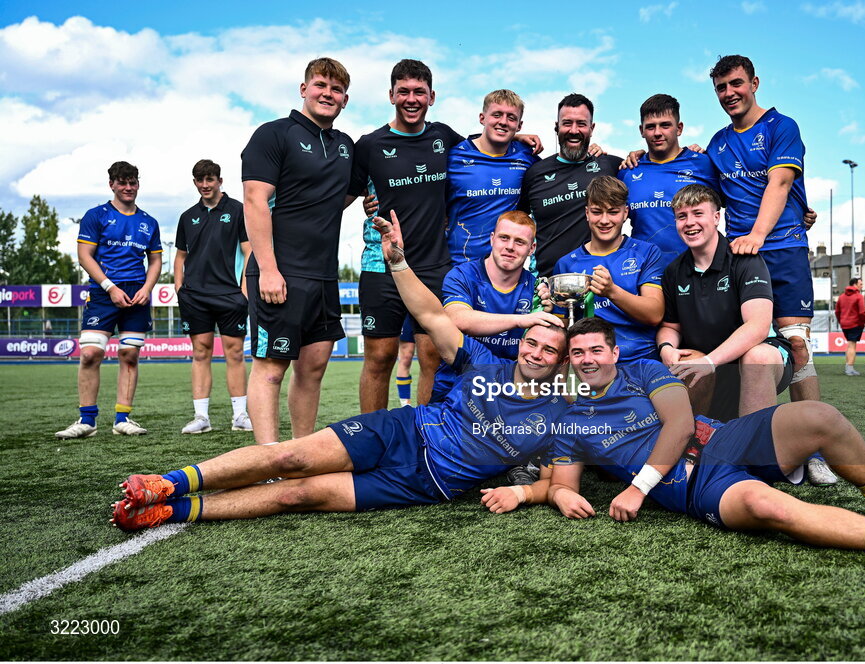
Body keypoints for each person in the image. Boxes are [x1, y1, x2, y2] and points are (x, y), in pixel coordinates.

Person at [110, 210, 570, 530]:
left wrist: (522, 494)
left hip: (425, 481)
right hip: (404, 429)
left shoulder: (558, 411)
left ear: (562, 361)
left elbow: (560, 479)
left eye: (549, 350)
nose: (535, 352)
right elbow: (433, 316)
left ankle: (168, 513)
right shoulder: (483, 363)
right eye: (531, 341)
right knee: (289, 458)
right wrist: (397, 261)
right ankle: (165, 484)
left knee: (297, 495)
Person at [546, 317, 865, 570]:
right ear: (570, 360)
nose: (588, 359)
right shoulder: (568, 421)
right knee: (768, 507)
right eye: (579, 353)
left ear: (614, 353)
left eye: (596, 350)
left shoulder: (643, 371)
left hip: (724, 438)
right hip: (695, 486)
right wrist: (560, 495)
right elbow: (562, 482)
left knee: (820, 416)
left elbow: (678, 424)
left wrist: (637, 489)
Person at [352, 61, 544, 412]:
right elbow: (346, 193)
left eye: (419, 92)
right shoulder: (372, 144)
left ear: (432, 97)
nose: (412, 99)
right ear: (391, 94)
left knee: (432, 355)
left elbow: (492, 138)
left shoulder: (448, 139)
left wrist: (516, 136)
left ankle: (422, 436)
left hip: (437, 266)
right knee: (380, 356)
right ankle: (370, 441)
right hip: (385, 262)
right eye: (404, 91)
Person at [705, 54, 836, 486]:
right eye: (722, 87)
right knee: (747, 349)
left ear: (755, 82)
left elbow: (780, 183)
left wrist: (760, 233)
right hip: (741, 258)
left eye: (736, 84)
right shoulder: (717, 144)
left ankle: (812, 447)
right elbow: (699, 191)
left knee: (798, 345)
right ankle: (757, 445)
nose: (730, 94)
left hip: (781, 249)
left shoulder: (782, 127)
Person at [241, 57, 357, 445]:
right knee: (271, 369)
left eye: (337, 89)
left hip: (323, 276)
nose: (328, 93)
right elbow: (255, 200)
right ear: (304, 88)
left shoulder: (345, 146)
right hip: (281, 272)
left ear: (345, 100)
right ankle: (268, 459)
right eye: (321, 85)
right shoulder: (274, 134)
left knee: (312, 367)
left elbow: (338, 198)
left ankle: (300, 455)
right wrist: (268, 269)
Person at [656, 184, 793, 421]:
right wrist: (666, 348)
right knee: (688, 362)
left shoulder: (745, 260)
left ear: (716, 217)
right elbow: (671, 326)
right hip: (708, 363)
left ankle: (753, 452)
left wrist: (710, 361)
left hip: (756, 357)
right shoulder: (673, 271)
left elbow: (758, 326)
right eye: (682, 216)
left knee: (758, 357)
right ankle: (693, 445)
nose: (690, 222)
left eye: (698, 213)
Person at [56, 161, 162, 439]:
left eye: (133, 182)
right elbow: (84, 256)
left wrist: (147, 288)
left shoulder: (149, 221)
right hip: (104, 292)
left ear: (138, 184)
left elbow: (155, 260)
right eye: (122, 182)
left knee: (129, 355)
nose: (128, 188)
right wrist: (109, 287)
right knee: (91, 353)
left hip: (137, 293)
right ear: (112, 184)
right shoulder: (96, 215)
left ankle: (122, 419)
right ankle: (87, 420)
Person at [433, 210, 560, 402]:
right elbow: (458, 319)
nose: (510, 247)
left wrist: (545, 313)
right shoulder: (462, 275)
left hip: (507, 388)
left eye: (519, 242)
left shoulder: (537, 289)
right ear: (492, 239)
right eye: (504, 238)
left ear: (532, 248)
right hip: (457, 383)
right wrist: (522, 320)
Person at [174, 159, 252, 434]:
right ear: (195, 182)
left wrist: (244, 290)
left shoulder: (238, 210)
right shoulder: (187, 217)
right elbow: (180, 256)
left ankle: (240, 416)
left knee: (235, 353)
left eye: (210, 179)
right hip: (195, 297)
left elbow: (248, 251)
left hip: (230, 295)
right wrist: (179, 287)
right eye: (200, 180)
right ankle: (201, 418)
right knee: (200, 352)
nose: (205, 185)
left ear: (219, 180)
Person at [551, 176, 663, 362]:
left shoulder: (646, 252)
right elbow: (565, 324)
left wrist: (612, 291)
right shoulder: (566, 264)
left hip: (640, 359)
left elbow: (654, 314)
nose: (604, 220)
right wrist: (548, 310)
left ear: (625, 213)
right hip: (589, 365)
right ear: (587, 213)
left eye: (613, 212)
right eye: (597, 212)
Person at [519, 94, 623, 276]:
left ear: (592, 129)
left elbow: (649, 167)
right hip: (546, 285)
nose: (574, 130)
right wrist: (515, 137)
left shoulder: (610, 166)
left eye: (581, 124)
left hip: (602, 282)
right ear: (556, 127)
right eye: (567, 123)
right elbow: (518, 221)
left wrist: (690, 152)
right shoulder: (535, 173)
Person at [616, 94, 719, 272]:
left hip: (698, 273)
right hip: (645, 275)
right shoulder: (627, 171)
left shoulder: (704, 163)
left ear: (679, 128)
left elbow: (731, 204)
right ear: (641, 130)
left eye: (665, 125)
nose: (657, 133)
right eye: (650, 127)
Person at [446, 90, 540, 265]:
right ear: (482, 118)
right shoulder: (453, 157)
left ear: (519, 125)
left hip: (505, 269)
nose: (503, 122)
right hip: (458, 265)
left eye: (511, 118)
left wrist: (592, 154)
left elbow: (560, 173)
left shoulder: (528, 157)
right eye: (497, 115)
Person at [836, 278, 865, 376]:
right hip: (855, 323)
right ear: (855, 284)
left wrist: (841, 321)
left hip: (844, 324)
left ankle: (848, 367)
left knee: (849, 345)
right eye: (860, 284)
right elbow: (862, 312)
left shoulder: (841, 297)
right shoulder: (859, 296)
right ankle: (850, 368)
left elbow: (837, 312)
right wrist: (862, 323)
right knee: (852, 346)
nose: (862, 286)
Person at [395, 316, 415, 407]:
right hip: (407, 311)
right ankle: (405, 405)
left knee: (432, 358)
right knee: (405, 358)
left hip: (431, 307)